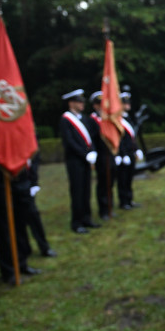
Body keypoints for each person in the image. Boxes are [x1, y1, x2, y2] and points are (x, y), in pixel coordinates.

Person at [0, 150, 41, 283]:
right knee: (3, 228)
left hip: (20, 182)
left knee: (21, 224)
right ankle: (9, 270)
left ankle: (22, 263)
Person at [59, 89, 101, 234]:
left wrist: (93, 151)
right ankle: (76, 222)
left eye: (82, 101)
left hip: (86, 160)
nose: (82, 104)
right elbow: (69, 142)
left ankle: (86, 218)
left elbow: (90, 138)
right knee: (77, 191)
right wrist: (85, 154)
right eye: (79, 101)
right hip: (74, 161)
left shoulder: (84, 119)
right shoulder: (66, 120)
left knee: (86, 190)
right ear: (71, 103)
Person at [87, 91, 118, 221]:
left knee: (110, 183)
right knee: (102, 184)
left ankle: (111, 206)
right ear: (95, 106)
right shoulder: (92, 120)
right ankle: (103, 210)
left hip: (110, 156)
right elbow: (91, 139)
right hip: (100, 157)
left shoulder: (108, 119)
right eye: (100, 104)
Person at [25, 150, 57, 257]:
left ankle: (44, 247)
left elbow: (34, 155)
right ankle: (22, 250)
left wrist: (33, 180)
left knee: (33, 214)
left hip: (26, 179)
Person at [117, 91, 143, 210]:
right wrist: (121, 154)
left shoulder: (128, 117)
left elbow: (132, 137)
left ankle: (129, 199)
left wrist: (137, 149)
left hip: (131, 153)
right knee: (122, 179)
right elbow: (119, 139)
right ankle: (123, 201)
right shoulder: (117, 119)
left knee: (129, 178)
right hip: (124, 156)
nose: (128, 104)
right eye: (125, 102)